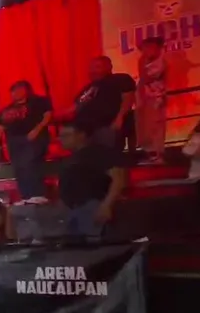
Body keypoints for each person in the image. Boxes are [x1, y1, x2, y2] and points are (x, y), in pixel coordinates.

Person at [57, 122, 128, 238]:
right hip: (73, 210)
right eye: (60, 136)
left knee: (92, 243)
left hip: (92, 207)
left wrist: (106, 205)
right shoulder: (72, 158)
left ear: (81, 135)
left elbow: (119, 178)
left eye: (66, 135)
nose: (61, 139)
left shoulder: (97, 152)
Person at [0, 80, 54, 204]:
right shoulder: (8, 109)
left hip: (34, 137)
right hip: (14, 141)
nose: (13, 94)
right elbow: (0, 127)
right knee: (18, 167)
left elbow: (47, 116)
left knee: (30, 163)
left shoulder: (39, 102)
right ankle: (25, 196)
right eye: (12, 92)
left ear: (24, 90)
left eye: (16, 91)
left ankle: (37, 193)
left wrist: (37, 130)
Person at [63, 55, 136, 149]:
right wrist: (52, 116)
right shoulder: (89, 88)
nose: (92, 71)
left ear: (109, 67)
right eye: (91, 68)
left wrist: (120, 117)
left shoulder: (120, 79)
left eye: (97, 67)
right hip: (84, 128)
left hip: (106, 125)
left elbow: (128, 99)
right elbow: (75, 106)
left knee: (104, 143)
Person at [136, 36, 169, 164]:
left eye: (150, 48)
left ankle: (157, 155)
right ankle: (150, 154)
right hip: (145, 98)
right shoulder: (144, 61)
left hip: (156, 98)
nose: (146, 51)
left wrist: (142, 63)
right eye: (144, 48)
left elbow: (147, 78)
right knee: (145, 127)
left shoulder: (160, 63)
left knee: (155, 126)